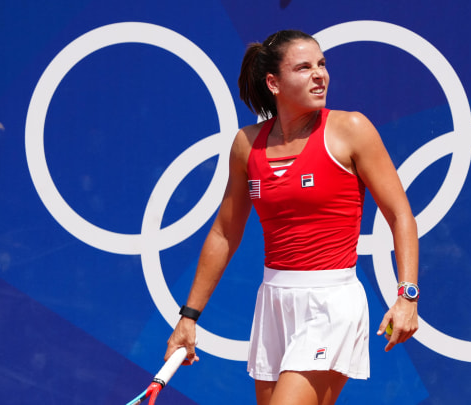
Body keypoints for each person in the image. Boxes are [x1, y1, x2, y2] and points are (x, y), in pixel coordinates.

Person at [164, 29, 419, 405]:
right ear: (274, 82)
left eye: (322, 65)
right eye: (304, 67)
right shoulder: (246, 144)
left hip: (331, 304)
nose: (320, 75)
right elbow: (224, 233)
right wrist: (188, 316)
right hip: (273, 304)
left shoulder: (351, 130)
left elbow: (400, 215)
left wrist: (407, 295)